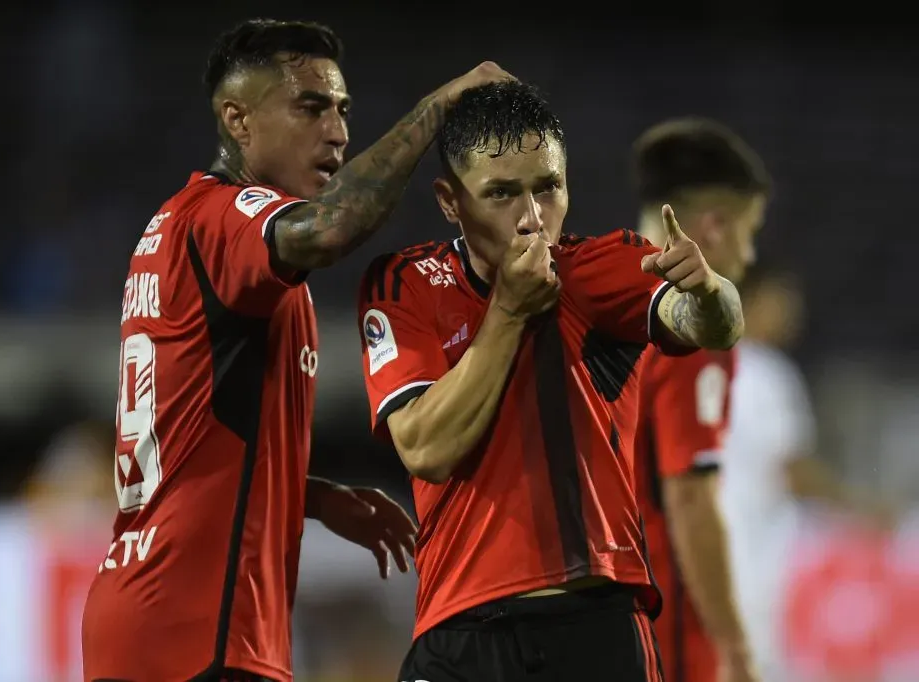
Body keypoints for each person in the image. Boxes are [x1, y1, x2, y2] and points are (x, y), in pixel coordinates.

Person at [80, 18, 513, 682]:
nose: (337, 131)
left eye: (342, 110)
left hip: (146, 610)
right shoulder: (223, 217)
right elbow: (334, 226)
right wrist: (437, 110)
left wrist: (304, 494)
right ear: (239, 121)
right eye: (310, 107)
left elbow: (191, 436)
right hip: (199, 630)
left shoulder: (178, 228)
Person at [357, 81, 744, 682]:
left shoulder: (600, 268)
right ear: (449, 201)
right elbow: (425, 448)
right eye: (502, 194)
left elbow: (709, 324)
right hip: (461, 634)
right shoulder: (406, 285)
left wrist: (709, 290)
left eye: (548, 187)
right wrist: (510, 311)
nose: (532, 217)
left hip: (596, 624)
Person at [630, 118, 770, 682]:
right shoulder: (696, 319)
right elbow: (689, 498)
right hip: (662, 619)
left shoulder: (585, 295)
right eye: (749, 229)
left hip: (580, 613)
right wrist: (735, 649)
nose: (751, 252)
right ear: (713, 227)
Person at [719, 265, 897, 681]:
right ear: (751, 301)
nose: (792, 315)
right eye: (782, 302)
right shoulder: (765, 371)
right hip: (753, 560)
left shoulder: (692, 365)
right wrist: (860, 510)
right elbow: (793, 471)